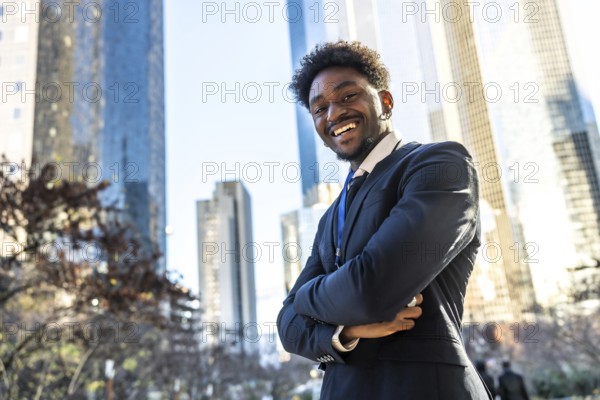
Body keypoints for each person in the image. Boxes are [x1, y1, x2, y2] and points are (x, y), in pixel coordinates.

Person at [276, 40, 489, 399]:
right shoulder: (331, 215)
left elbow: (369, 290)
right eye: (320, 108)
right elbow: (288, 328)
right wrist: (348, 332)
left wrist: (304, 298)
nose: (333, 115)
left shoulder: (439, 165)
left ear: (385, 102)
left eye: (347, 97)